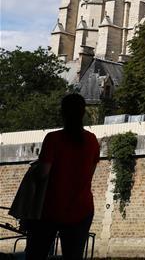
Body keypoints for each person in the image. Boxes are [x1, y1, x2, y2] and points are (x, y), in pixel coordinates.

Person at [26, 93, 99, 260]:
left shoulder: (53, 139)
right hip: (81, 208)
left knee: (36, 254)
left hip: (51, 209)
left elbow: (43, 172)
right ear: (83, 113)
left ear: (62, 113)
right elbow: (89, 173)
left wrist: (33, 170)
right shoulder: (92, 140)